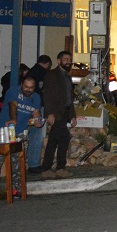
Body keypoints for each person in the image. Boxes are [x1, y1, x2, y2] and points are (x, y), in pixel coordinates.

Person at [0, 76, 42, 201]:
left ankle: (16, 189)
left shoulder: (36, 97)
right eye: (25, 87)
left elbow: (36, 112)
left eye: (31, 88)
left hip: (20, 133)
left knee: (18, 162)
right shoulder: (13, 91)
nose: (28, 90)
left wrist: (38, 121)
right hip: (3, 131)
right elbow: (12, 105)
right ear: (21, 84)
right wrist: (13, 119)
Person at [39, 50, 76, 179]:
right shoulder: (52, 75)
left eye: (69, 60)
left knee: (54, 140)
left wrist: (72, 115)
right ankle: (58, 168)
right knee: (63, 137)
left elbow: (69, 97)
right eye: (66, 59)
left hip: (65, 112)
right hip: (56, 112)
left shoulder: (67, 76)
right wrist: (50, 113)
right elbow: (47, 95)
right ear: (59, 61)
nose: (68, 62)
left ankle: (48, 168)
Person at [25, 54, 52, 170]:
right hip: (39, 107)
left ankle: (29, 161)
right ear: (48, 64)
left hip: (28, 107)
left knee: (31, 135)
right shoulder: (44, 74)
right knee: (38, 135)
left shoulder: (31, 72)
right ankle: (34, 164)